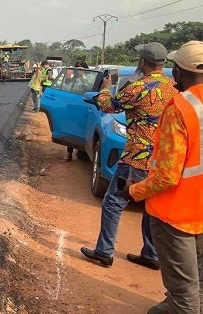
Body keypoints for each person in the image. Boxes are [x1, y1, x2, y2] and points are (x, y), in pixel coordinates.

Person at [80, 42, 177, 268]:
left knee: (114, 201)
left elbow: (108, 106)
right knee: (151, 205)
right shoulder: (175, 86)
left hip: (137, 159)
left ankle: (104, 252)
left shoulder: (137, 88)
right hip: (163, 159)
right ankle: (151, 255)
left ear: (142, 61)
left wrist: (106, 87)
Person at [127, 40, 203, 314]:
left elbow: (168, 176)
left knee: (185, 294)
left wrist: (135, 191)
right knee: (199, 284)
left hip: (177, 214)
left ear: (179, 71)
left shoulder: (181, 107)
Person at [64, 61, 90, 161]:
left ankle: (82, 151)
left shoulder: (90, 79)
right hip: (72, 106)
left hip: (85, 106)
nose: (79, 70)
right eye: (77, 68)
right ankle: (69, 153)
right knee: (71, 129)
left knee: (82, 129)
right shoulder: (73, 80)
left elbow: (89, 87)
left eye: (81, 68)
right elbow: (67, 89)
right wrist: (67, 79)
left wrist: (83, 76)